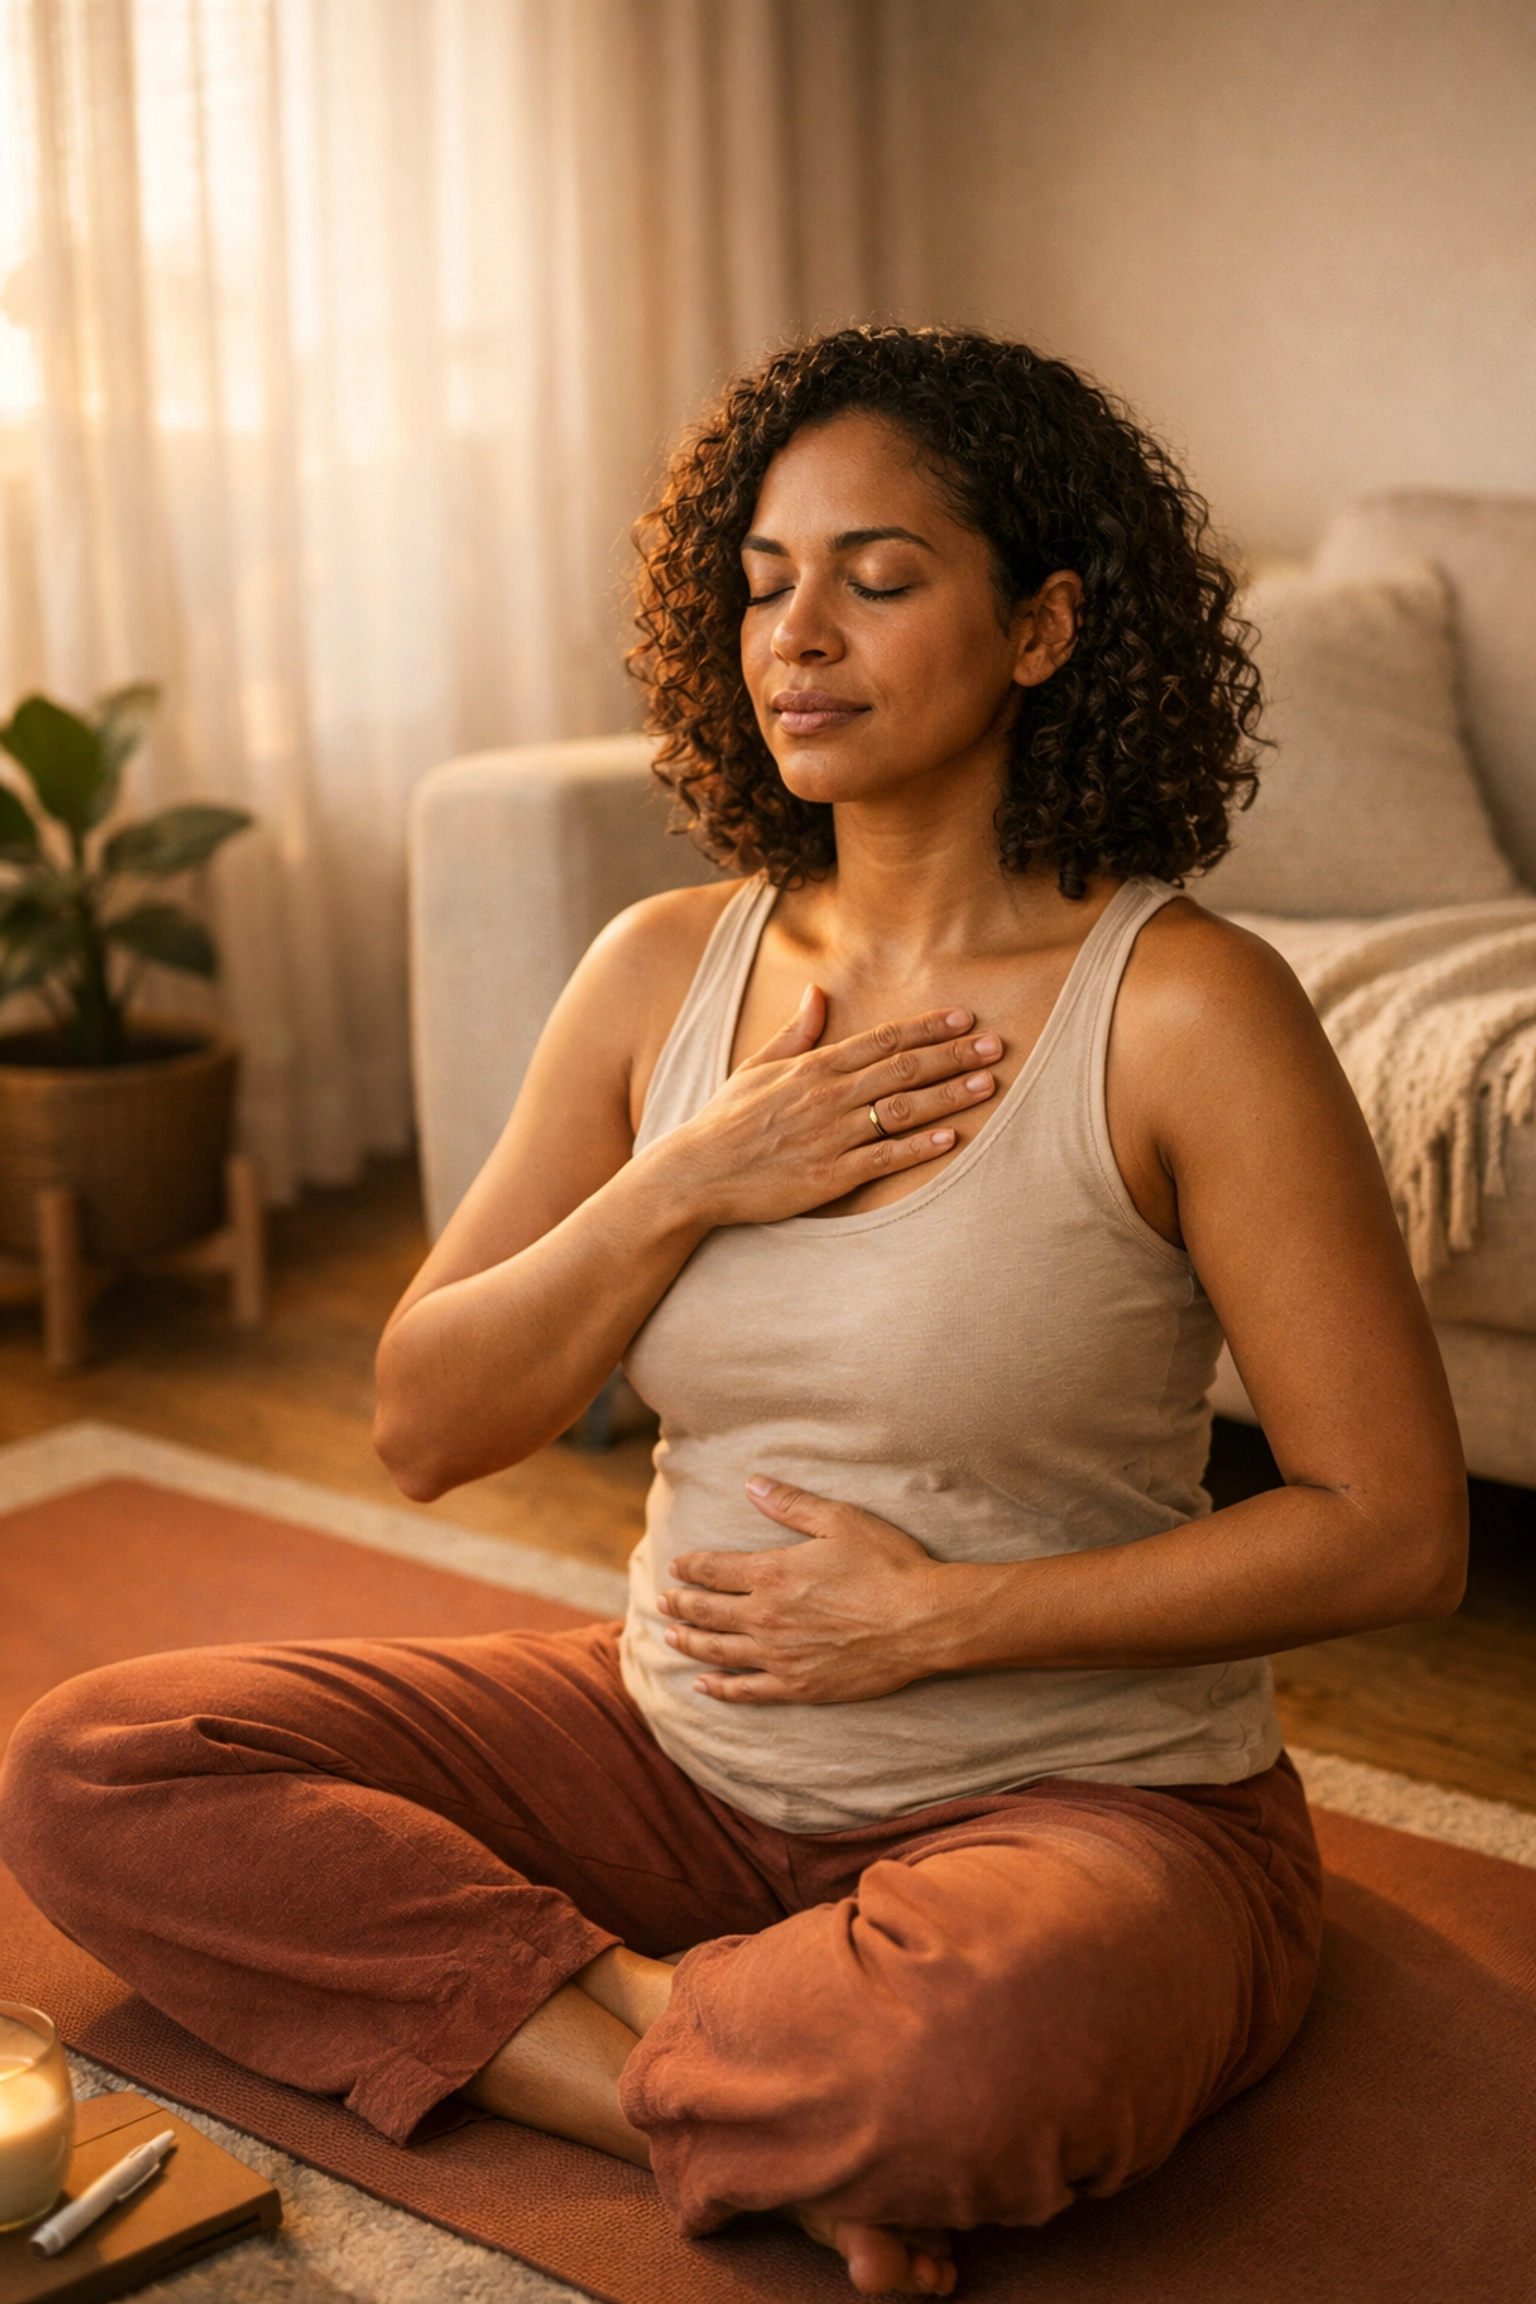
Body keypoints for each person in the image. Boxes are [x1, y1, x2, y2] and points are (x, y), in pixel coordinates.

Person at [0, 328, 1466, 2299]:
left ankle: (708, 2059)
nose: (799, 636)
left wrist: (946, 1617)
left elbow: (1398, 1528)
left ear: (1039, 627)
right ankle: (668, 2045)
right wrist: (692, 1175)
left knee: (973, 2065)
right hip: (666, 1751)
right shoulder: (660, 970)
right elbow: (426, 1422)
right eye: (766, 584)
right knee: (95, 1767)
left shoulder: (1192, 1012)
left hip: (1077, 1803)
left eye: (879, 577)